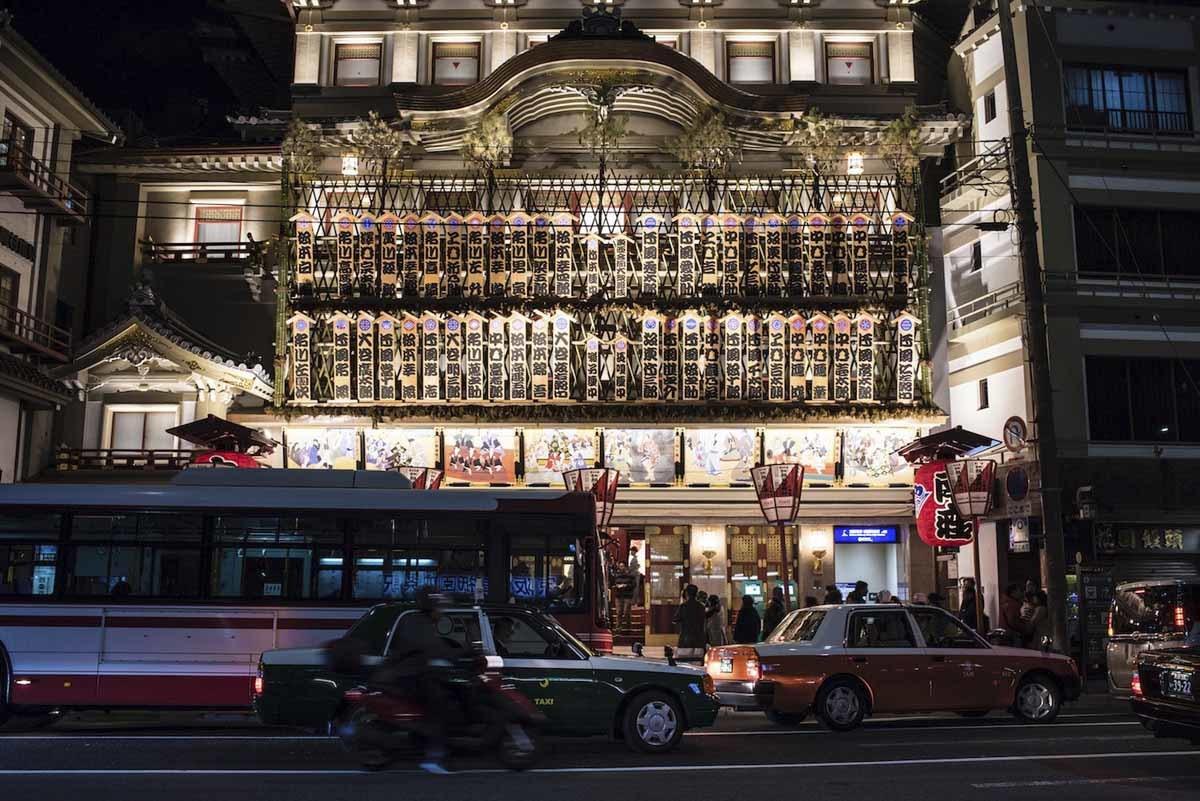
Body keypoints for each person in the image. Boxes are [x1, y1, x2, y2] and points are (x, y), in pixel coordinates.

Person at [384, 587, 457, 774]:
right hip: (410, 676)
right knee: (441, 706)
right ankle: (433, 757)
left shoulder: (416, 621)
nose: (441, 612)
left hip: (409, 673)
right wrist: (458, 655)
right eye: (439, 608)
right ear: (431, 608)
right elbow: (434, 648)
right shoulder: (420, 625)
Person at [674, 583, 707, 658]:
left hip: (685, 641)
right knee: (698, 663)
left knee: (684, 664)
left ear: (686, 593)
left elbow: (676, 619)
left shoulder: (683, 606)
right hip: (699, 641)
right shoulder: (701, 607)